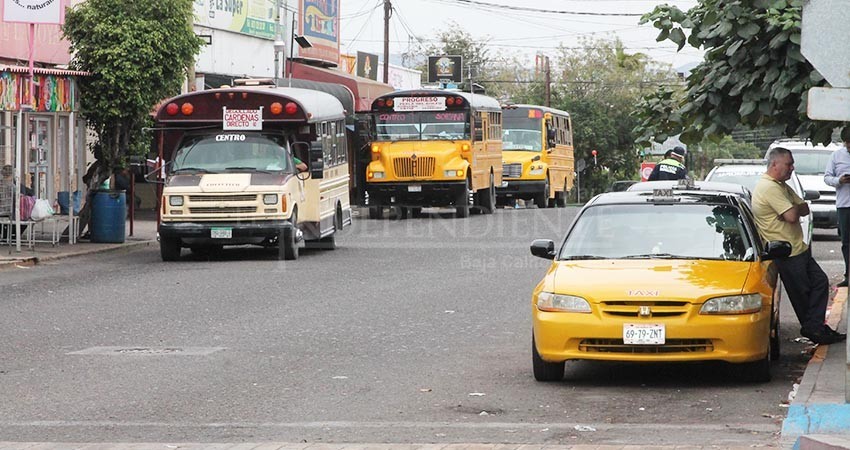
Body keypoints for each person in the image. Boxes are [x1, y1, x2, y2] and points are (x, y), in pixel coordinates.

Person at [752, 147, 846, 345]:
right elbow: (794, 216)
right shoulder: (769, 187)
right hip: (787, 251)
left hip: (798, 247)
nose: (792, 168)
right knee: (803, 292)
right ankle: (813, 329)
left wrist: (792, 209)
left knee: (819, 282)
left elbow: (803, 207)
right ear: (774, 164)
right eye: (789, 164)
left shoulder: (781, 186)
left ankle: (815, 326)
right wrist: (792, 210)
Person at [823, 128, 850, 287]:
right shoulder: (836, 156)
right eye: (847, 143)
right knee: (846, 242)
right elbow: (827, 177)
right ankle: (848, 274)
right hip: (844, 204)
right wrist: (839, 180)